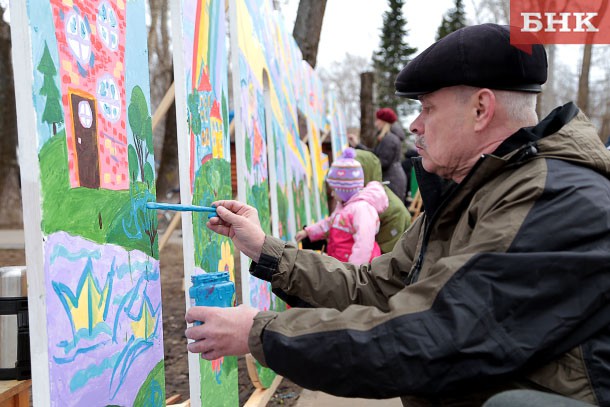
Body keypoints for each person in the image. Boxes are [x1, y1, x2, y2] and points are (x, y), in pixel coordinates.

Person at [185, 23, 610, 406]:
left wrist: (259, 332)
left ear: (481, 109)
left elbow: (434, 336)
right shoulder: (476, 191)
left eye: (428, 109)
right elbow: (375, 288)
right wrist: (268, 252)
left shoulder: (555, 200)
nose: (416, 125)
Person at [294, 148, 388, 265]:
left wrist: (354, 272)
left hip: (355, 271)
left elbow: (364, 244)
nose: (332, 194)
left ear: (345, 190)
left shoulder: (362, 209)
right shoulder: (344, 206)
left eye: (334, 190)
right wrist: (308, 232)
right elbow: (329, 223)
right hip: (341, 265)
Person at [353, 148, 410, 253]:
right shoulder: (355, 197)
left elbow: (386, 258)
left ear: (364, 173)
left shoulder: (393, 211)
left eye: (351, 171)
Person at [371, 107, 408, 201]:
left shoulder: (389, 139)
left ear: (383, 121)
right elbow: (376, 154)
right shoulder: (389, 137)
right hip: (392, 179)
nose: (376, 123)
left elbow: (383, 162)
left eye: (378, 120)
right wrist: (358, 145)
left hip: (392, 181)